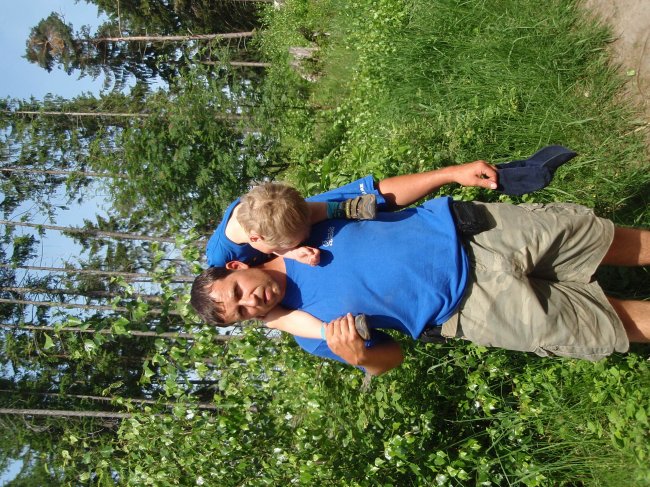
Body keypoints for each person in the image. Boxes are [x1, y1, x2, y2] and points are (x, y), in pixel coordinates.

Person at [192, 161, 650, 376]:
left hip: (478, 232)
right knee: (613, 323)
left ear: (236, 265)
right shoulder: (311, 333)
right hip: (475, 310)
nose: (252, 302)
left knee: (613, 241)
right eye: (244, 313)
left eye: (238, 292)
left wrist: (450, 174)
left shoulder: (285, 226)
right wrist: (359, 357)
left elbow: (378, 195)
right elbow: (390, 358)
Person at [205, 182, 376, 340]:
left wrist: (290, 251)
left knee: (284, 212)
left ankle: (341, 208)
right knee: (275, 319)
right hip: (263, 289)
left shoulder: (254, 211)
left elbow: (272, 226)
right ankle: (333, 332)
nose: (249, 301)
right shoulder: (221, 264)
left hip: (265, 236)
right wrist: (291, 252)